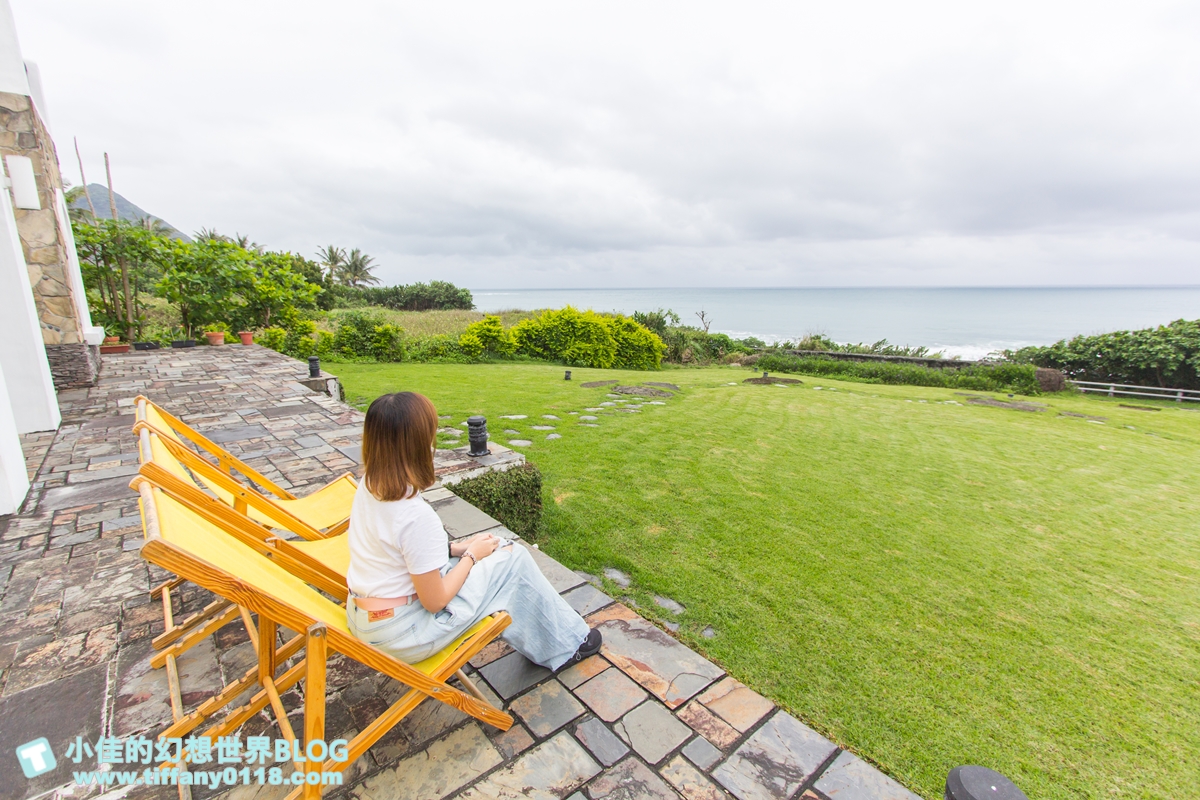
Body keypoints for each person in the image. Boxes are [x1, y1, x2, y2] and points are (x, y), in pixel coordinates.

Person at [345, 391, 601, 671]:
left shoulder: (369, 485)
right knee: (512, 558)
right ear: (418, 444)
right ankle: (568, 645)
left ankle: (552, 620)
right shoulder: (414, 515)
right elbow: (435, 601)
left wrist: (455, 549)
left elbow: (394, 550)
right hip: (405, 634)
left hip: (366, 619)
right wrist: (471, 557)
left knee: (497, 547)